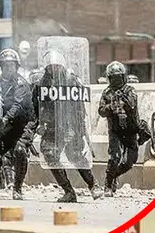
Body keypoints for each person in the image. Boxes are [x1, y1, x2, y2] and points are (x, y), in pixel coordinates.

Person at [25, 51, 102, 203]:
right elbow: (34, 108)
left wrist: (80, 127)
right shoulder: (41, 84)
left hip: (70, 125)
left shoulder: (72, 81)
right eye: (51, 66)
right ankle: (68, 191)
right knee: (49, 155)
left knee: (75, 155)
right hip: (51, 127)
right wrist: (32, 129)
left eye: (57, 66)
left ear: (62, 66)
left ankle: (93, 185)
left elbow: (80, 107)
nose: (54, 69)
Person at [0, 49, 33, 200]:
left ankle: (17, 188)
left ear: (17, 67)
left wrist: (5, 119)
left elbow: (18, 105)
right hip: (3, 124)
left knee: (20, 151)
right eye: (6, 66)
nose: (9, 69)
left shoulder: (21, 83)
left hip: (21, 123)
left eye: (12, 66)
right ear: (1, 67)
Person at [99, 61, 145, 197]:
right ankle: (107, 184)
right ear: (109, 78)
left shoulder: (130, 90)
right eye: (114, 78)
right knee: (115, 157)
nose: (116, 80)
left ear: (123, 77)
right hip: (115, 131)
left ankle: (113, 176)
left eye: (119, 77)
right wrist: (111, 107)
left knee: (129, 162)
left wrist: (123, 100)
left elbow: (132, 105)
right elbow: (101, 111)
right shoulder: (106, 92)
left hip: (130, 130)